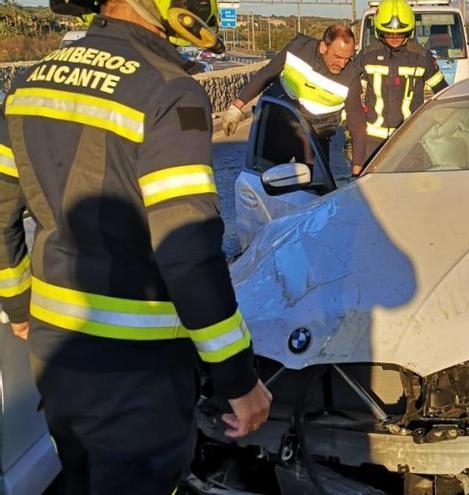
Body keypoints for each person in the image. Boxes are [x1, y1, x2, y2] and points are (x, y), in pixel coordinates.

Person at [0, 0, 272, 492]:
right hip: (138, 370)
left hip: (55, 350)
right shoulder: (169, 90)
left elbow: (1, 215)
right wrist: (238, 378)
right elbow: (187, 251)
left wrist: (18, 304)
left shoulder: (29, 85)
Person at [221, 25, 357, 161]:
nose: (343, 64)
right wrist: (236, 107)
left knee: (314, 180)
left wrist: (351, 144)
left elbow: (355, 115)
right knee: (266, 177)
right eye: (338, 57)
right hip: (280, 128)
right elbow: (267, 74)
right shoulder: (298, 49)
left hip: (315, 139)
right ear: (323, 47)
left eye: (347, 58)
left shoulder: (351, 74)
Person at [346, 0, 449, 176]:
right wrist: (350, 132)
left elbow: (443, 93)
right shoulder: (366, 56)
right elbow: (350, 97)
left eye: (400, 34)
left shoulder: (422, 57)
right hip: (372, 141)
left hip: (410, 139)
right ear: (379, 31)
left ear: (409, 31)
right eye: (389, 34)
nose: (394, 38)